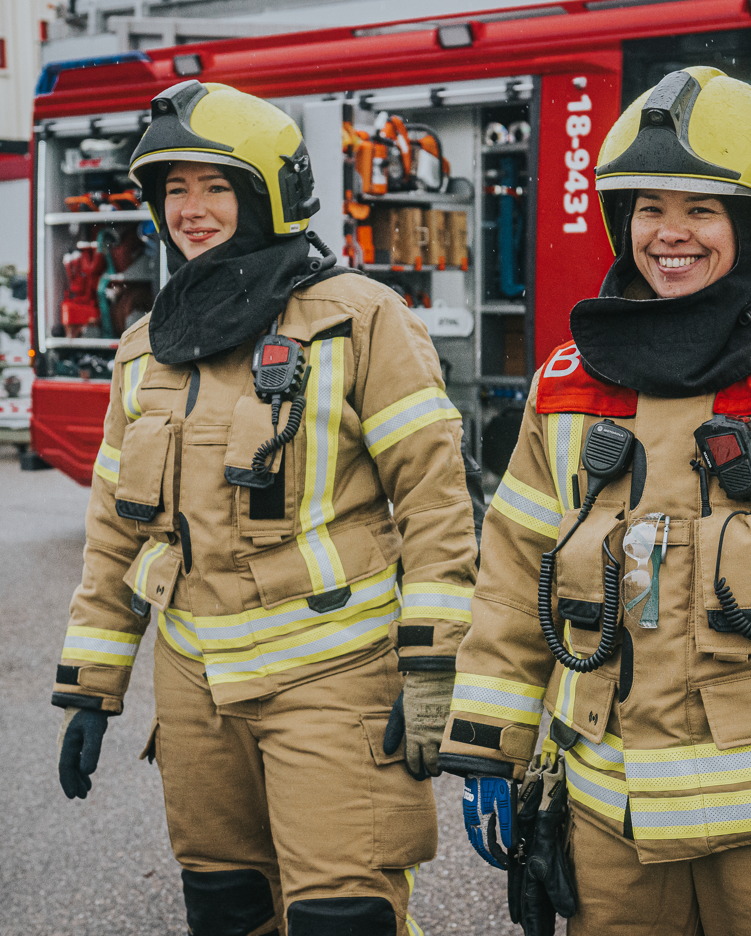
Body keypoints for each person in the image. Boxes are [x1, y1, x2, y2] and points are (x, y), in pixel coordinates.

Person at [439, 68, 751, 935]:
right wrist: (488, 745)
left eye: (701, 209)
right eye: (648, 208)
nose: (668, 234)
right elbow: (508, 581)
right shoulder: (564, 383)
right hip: (610, 832)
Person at [51, 80, 477, 936]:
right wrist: (91, 688)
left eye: (215, 185)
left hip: (333, 680)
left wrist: (434, 666)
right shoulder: (144, 349)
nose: (192, 210)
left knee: (342, 917)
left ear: (267, 191)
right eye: (174, 188)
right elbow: (116, 534)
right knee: (226, 909)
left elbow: (435, 507)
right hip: (194, 692)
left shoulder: (360, 319)